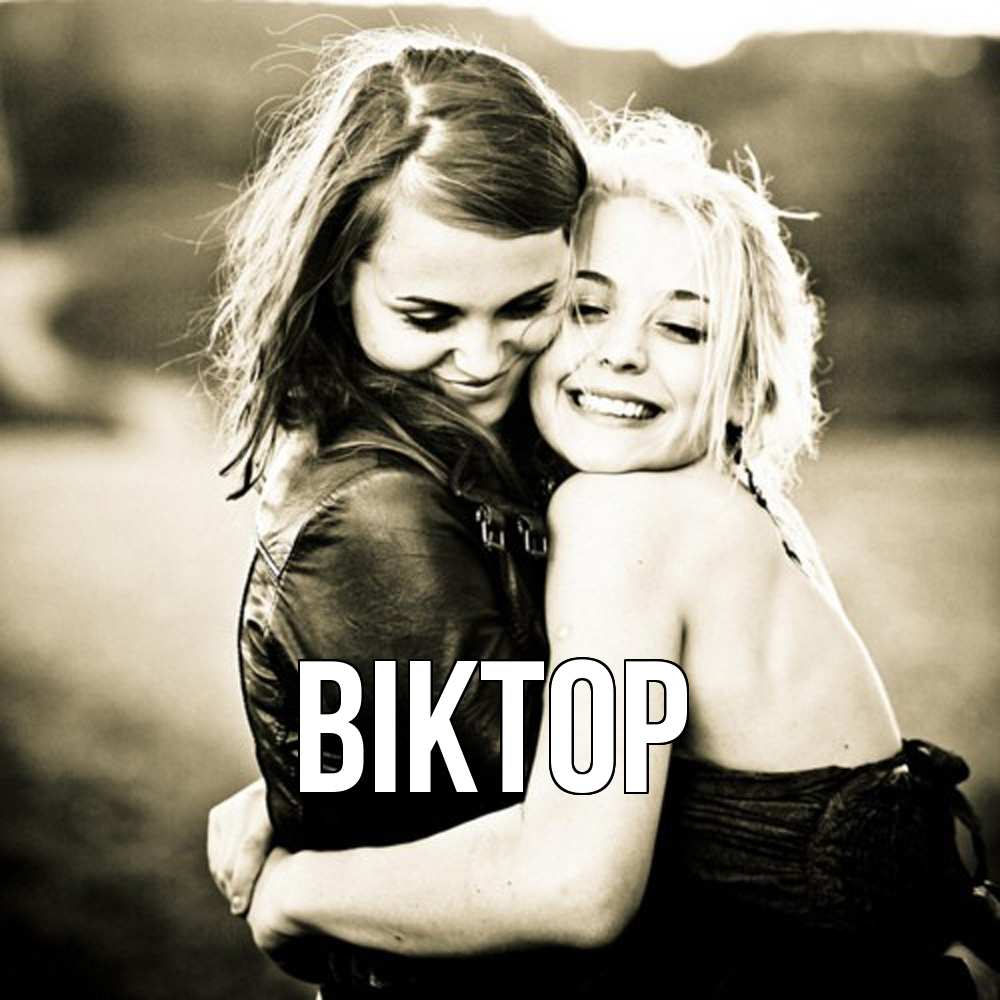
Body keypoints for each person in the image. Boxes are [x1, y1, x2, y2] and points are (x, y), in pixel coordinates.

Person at [211, 110, 999, 997]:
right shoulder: (729, 508)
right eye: (587, 308)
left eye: (685, 330)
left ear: (748, 385)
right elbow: (606, 754)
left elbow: (574, 883)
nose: (622, 353)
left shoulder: (626, 520)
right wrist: (296, 795)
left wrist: (299, 888)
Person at [205, 26, 600, 997]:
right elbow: (566, 833)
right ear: (338, 279)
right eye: (429, 317)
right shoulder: (375, 517)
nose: (482, 359)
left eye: (528, 305)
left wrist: (293, 798)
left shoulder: (531, 443)